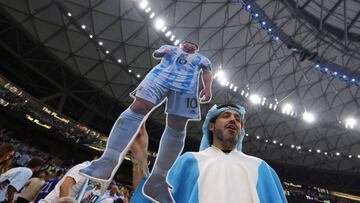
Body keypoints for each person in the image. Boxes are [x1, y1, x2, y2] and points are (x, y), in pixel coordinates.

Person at [80, 41, 213, 202]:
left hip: (185, 86)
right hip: (159, 77)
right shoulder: (169, 48)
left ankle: (157, 180)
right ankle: (108, 161)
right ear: (181, 44)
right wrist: (166, 52)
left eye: (194, 45)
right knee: (140, 106)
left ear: (197, 49)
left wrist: (207, 87)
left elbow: (207, 72)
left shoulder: (202, 59)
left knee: (178, 123)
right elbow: (158, 53)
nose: (190, 46)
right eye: (187, 43)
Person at [130, 104, 288, 203]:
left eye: (237, 119)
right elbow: (149, 197)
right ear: (211, 126)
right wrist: (139, 156)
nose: (233, 120)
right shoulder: (189, 161)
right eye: (226, 116)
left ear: (241, 130)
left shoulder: (262, 168)